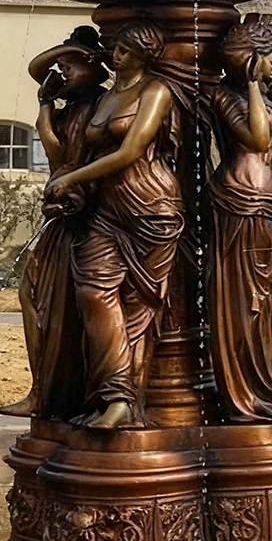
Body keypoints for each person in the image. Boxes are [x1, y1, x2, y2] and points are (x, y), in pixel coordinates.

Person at [44, 21, 184, 429]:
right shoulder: (105, 97)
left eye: (124, 50)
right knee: (93, 292)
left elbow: (132, 150)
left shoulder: (155, 91)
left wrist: (72, 179)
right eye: (114, 49)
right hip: (106, 206)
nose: (116, 56)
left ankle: (123, 403)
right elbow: (72, 149)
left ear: (143, 55)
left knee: (139, 306)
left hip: (151, 206)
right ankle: (113, 392)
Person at [0, 26, 110, 420]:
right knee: (35, 295)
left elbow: (71, 162)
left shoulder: (101, 107)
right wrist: (46, 104)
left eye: (68, 64)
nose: (59, 71)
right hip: (63, 213)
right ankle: (44, 390)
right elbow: (56, 152)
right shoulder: (73, 110)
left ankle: (71, 393)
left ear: (95, 66)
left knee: (62, 302)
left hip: (88, 215)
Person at [208, 13, 272, 422]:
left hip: (263, 205)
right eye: (267, 56)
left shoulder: (256, 97)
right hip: (240, 202)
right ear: (248, 59)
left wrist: (261, 88)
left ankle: (260, 382)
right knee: (246, 303)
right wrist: (250, 84)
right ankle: (243, 393)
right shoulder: (226, 97)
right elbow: (258, 138)